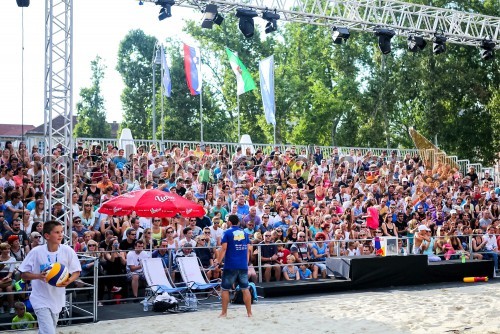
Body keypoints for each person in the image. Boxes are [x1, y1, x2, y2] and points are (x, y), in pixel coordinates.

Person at [18, 220, 81, 334]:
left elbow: (77, 271)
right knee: (49, 332)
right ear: (47, 235)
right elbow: (23, 274)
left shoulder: (67, 251)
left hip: (57, 298)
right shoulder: (36, 252)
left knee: (46, 329)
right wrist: (38, 276)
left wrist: (69, 280)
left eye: (61, 231)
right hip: (40, 298)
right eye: (57, 232)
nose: (61, 234)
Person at [214, 214, 252, 318]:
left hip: (231, 264)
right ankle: (249, 313)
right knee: (245, 288)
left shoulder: (227, 232)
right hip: (243, 264)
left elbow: (224, 248)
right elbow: (249, 249)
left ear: (229, 222)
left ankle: (224, 313)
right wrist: (246, 262)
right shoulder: (244, 233)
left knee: (225, 289)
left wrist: (218, 261)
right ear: (238, 222)